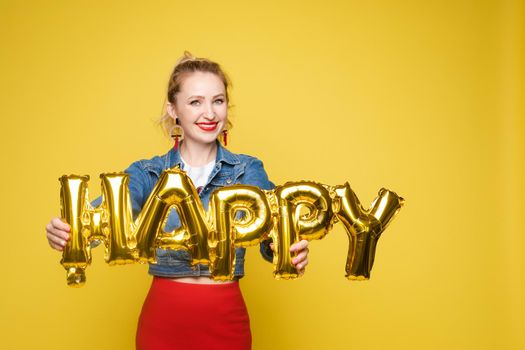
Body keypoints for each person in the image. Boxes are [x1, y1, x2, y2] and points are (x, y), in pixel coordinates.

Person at [45, 52, 310, 350]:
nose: (209, 113)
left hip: (226, 321)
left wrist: (291, 251)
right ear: (174, 110)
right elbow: (102, 216)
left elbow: (272, 241)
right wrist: (67, 232)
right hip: (164, 322)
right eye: (195, 102)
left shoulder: (248, 171)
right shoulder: (149, 173)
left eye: (218, 101)